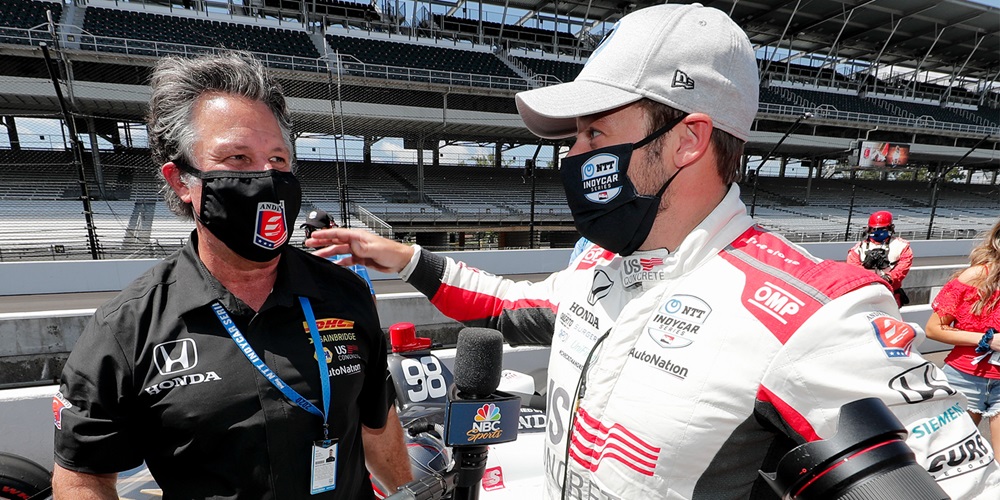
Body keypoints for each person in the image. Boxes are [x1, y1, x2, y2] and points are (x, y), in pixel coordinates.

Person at [307, 5, 999, 499]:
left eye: (593, 134)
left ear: (688, 140)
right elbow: (504, 303)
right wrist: (396, 255)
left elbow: (966, 484)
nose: (571, 156)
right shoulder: (598, 269)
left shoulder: (813, 317)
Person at [51, 52, 411, 499]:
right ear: (182, 180)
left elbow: (377, 425)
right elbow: (83, 476)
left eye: (278, 160)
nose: (266, 177)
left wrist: (405, 494)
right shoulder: (126, 329)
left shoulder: (346, 293)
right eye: (238, 158)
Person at [926, 219, 1000, 462]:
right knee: (947, 461)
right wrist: (988, 340)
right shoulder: (977, 276)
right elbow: (934, 329)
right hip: (964, 378)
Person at [847, 210, 913, 306]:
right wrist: (871, 280)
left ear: (890, 228)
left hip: (890, 293)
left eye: (882, 229)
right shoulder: (858, 249)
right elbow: (853, 268)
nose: (878, 232)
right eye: (874, 229)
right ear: (869, 229)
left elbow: (903, 268)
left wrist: (889, 278)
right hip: (864, 294)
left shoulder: (902, 246)